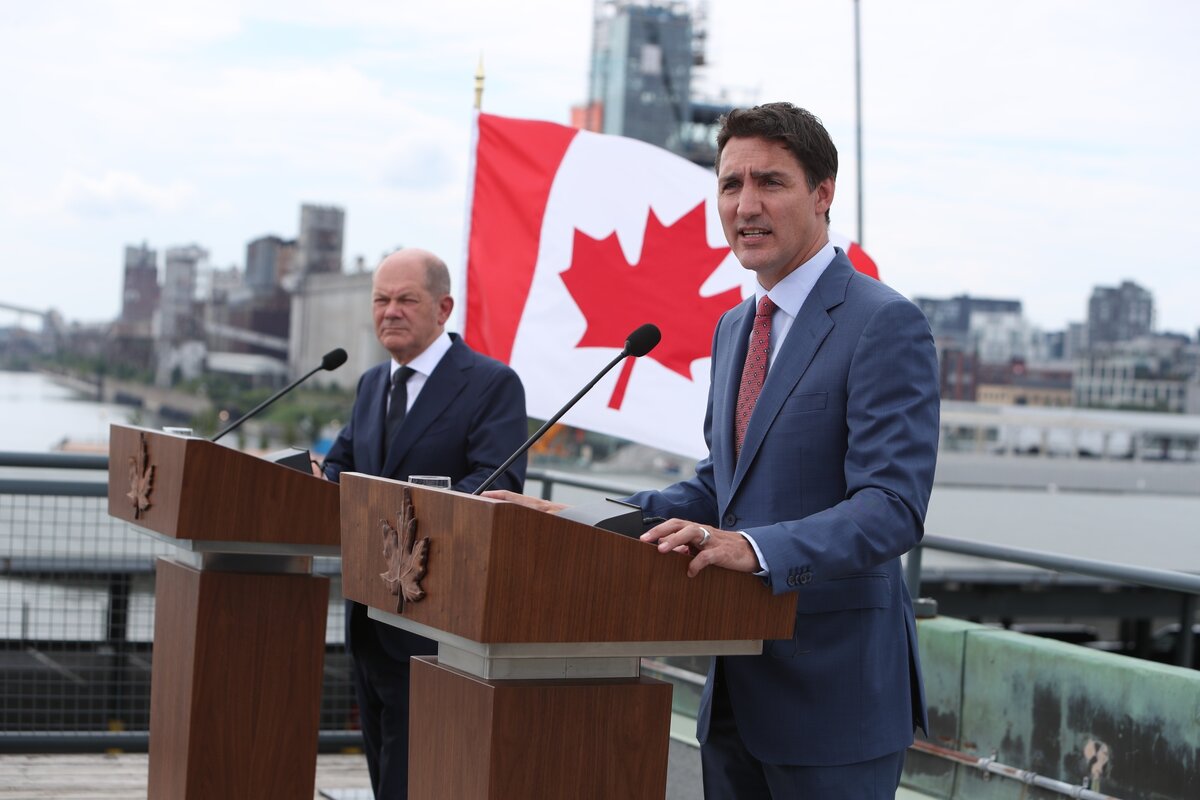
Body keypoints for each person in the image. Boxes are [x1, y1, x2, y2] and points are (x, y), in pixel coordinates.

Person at [487, 103, 939, 799]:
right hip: (733, 694)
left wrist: (753, 549)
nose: (746, 205)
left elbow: (891, 509)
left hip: (833, 699)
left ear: (823, 194)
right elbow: (716, 490)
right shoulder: (734, 327)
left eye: (771, 183)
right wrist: (572, 517)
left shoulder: (885, 324)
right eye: (730, 185)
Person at [322, 247, 528, 800]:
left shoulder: (491, 384)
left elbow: (497, 484)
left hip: (437, 624)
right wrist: (311, 474)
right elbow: (341, 467)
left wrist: (406, 513)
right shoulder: (371, 385)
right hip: (368, 613)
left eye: (406, 300)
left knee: (416, 779)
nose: (390, 311)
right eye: (381, 300)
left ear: (443, 308)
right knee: (381, 769)